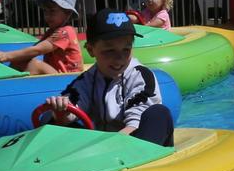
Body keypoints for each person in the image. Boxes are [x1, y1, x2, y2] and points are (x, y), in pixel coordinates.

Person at [42, 9, 174, 147]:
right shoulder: (86, 80)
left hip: (135, 143)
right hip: (103, 150)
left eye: (126, 49)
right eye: (109, 51)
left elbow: (136, 124)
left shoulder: (140, 76)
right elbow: (73, 107)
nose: (119, 58)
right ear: (91, 50)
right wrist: (61, 113)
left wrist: (107, 146)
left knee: (158, 114)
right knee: (50, 119)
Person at [0, 0, 82, 75]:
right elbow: (32, 50)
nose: (47, 15)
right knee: (20, 61)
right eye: (45, 11)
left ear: (68, 13)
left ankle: (8, 84)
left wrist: (6, 56)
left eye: (52, 11)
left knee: (34, 64)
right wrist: (9, 58)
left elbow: (38, 50)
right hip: (58, 74)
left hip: (69, 78)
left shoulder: (65, 32)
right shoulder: (51, 32)